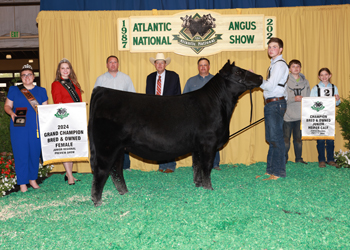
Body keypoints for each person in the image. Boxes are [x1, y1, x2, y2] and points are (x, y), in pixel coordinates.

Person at [4, 64, 48, 192]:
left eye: (29, 74)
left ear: (33, 76)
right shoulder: (14, 90)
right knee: (20, 153)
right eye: (24, 75)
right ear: (21, 77)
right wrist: (11, 113)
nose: (26, 77)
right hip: (19, 125)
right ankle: (22, 182)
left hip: (36, 126)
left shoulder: (41, 91)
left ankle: (32, 179)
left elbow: (46, 109)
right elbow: (7, 106)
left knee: (34, 153)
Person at [94, 55, 136, 171]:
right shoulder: (101, 79)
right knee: (107, 142)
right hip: (106, 117)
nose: (113, 64)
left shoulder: (126, 78)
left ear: (118, 64)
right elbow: (96, 98)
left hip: (123, 116)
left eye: (115, 62)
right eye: (110, 62)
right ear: (107, 65)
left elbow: (132, 96)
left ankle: (126, 166)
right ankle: (108, 166)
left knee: (124, 141)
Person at [256, 37, 289, 180]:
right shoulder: (274, 65)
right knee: (271, 139)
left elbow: (269, 86)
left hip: (275, 103)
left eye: (274, 47)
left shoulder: (280, 65)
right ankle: (270, 171)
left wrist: (256, 79)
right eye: (269, 47)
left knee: (276, 139)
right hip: (272, 103)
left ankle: (279, 172)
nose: (271, 49)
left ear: (280, 49)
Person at [183, 57, 221, 170]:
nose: (203, 67)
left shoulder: (216, 80)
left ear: (209, 67)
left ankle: (215, 163)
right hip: (196, 117)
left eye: (205, 65)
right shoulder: (191, 81)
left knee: (214, 139)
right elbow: (185, 98)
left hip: (212, 115)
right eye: (201, 65)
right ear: (198, 67)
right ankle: (197, 163)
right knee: (196, 140)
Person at [146, 53, 181, 173]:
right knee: (158, 139)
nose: (160, 64)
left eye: (162, 62)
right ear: (154, 65)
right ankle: (161, 165)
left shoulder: (174, 76)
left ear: (165, 64)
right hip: (155, 113)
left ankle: (171, 165)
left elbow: (178, 95)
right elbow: (148, 96)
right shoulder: (150, 77)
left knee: (170, 139)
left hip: (170, 112)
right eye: (157, 62)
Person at [51, 58, 84, 185]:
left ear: (70, 70)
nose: (65, 70)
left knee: (72, 146)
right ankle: (70, 176)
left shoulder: (75, 84)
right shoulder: (56, 84)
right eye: (63, 68)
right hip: (64, 118)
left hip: (75, 117)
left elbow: (79, 101)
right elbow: (57, 102)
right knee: (66, 147)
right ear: (59, 71)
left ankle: (68, 173)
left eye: (67, 68)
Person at [310, 68, 341, 168]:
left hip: (330, 116)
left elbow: (337, 103)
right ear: (319, 77)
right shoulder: (315, 88)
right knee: (320, 140)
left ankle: (331, 159)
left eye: (326, 74)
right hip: (319, 116)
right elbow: (311, 102)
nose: (324, 77)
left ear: (330, 75)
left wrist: (337, 99)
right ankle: (321, 160)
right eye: (322, 75)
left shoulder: (334, 87)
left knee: (330, 139)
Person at [283, 59, 310, 164]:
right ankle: (284, 159)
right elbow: (282, 96)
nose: (296, 68)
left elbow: (308, 97)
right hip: (287, 115)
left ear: (300, 68)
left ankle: (299, 158)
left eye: (298, 66)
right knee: (285, 139)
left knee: (298, 139)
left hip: (300, 115)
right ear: (289, 69)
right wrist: (293, 99)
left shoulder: (305, 81)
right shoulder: (284, 80)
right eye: (293, 66)